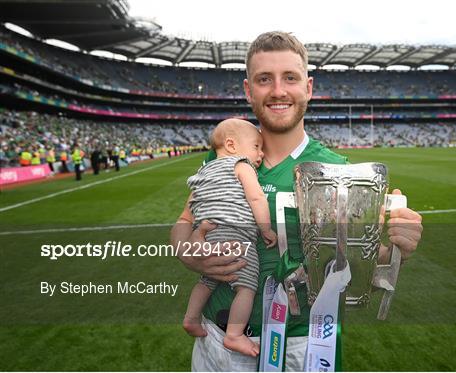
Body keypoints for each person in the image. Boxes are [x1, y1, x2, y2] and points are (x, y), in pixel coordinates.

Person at [170, 31, 423, 371]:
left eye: (290, 77)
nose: (278, 90)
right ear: (248, 90)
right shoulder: (223, 159)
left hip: (301, 346)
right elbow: (185, 221)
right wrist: (187, 252)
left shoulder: (337, 170)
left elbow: (354, 258)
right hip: (217, 340)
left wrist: (397, 250)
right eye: (264, 80)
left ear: (308, 87)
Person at [183, 118, 277, 357]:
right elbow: (256, 198)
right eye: (256, 146)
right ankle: (234, 335)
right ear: (232, 145)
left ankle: (191, 318)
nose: (261, 152)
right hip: (236, 233)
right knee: (246, 286)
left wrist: (198, 233)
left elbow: (193, 202)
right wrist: (265, 228)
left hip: (207, 232)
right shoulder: (241, 164)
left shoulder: (204, 170)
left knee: (208, 278)